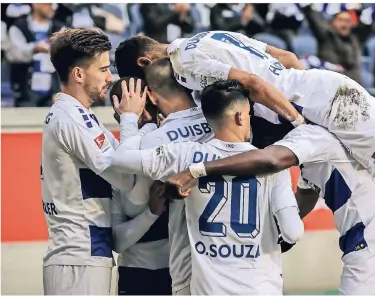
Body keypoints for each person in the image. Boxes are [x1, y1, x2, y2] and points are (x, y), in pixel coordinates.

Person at [114, 31, 375, 175]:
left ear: (145, 64)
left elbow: (253, 84)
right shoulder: (205, 37)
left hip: (316, 101)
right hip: (319, 87)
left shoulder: (184, 64)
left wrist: (299, 120)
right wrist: (308, 93)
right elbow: (284, 55)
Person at [165, 122, 375, 295]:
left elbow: (270, 160)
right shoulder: (342, 135)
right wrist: (276, 232)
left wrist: (197, 170)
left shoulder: (311, 135)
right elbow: (304, 198)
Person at [110, 80, 304, 295]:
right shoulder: (271, 164)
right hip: (260, 286)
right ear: (240, 116)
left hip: (207, 288)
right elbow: (292, 232)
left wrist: (138, 123)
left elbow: (120, 159)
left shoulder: (185, 155)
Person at [40, 28, 145, 295]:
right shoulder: (74, 119)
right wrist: (131, 119)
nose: (110, 78)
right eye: (103, 70)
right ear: (78, 74)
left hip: (83, 252)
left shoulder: (77, 115)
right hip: (80, 253)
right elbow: (125, 177)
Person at [110, 60, 214, 295]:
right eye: (129, 111)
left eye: (145, 107)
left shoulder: (173, 146)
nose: (144, 115)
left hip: (186, 268)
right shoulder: (119, 158)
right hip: (139, 274)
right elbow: (116, 241)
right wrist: (151, 213)